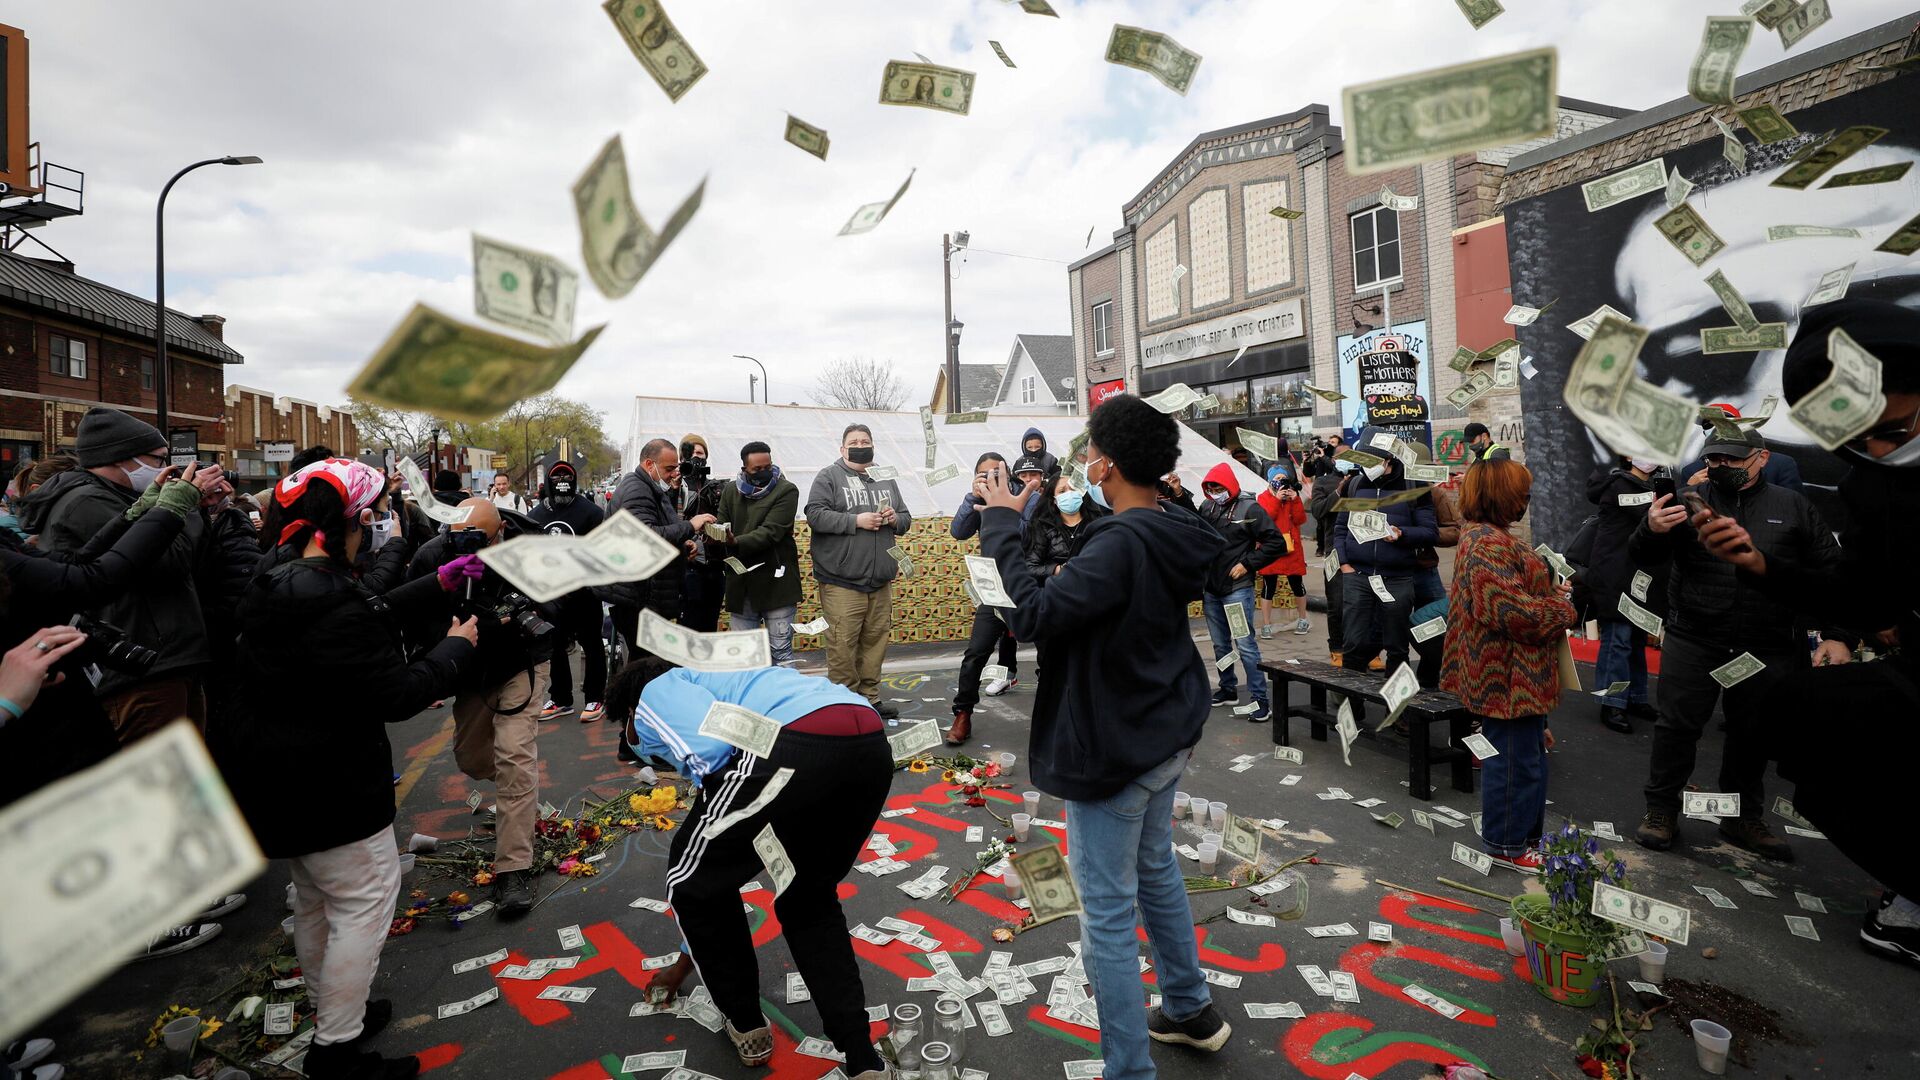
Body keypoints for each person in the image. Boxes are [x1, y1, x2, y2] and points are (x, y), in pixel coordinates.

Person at [973, 394, 1231, 1078]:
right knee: (1155, 870)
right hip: (1162, 733)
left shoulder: (1120, 539)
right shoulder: (1171, 527)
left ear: (1107, 465)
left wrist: (1002, 524)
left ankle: (1129, 1070)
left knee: (1109, 916)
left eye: (1090, 454)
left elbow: (1031, 617)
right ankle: (1188, 1006)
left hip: (1115, 748)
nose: (1082, 464)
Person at [218, 457, 478, 1080]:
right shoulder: (329, 596)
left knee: (312, 900)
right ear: (356, 521)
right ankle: (335, 1050)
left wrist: (435, 581)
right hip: (331, 780)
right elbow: (393, 692)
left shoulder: (275, 576)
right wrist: (454, 649)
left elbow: (357, 610)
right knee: (363, 902)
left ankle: (333, 1010)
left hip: (274, 774)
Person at [1694, 297, 1920, 963]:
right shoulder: (1871, 490)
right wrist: (1759, 563)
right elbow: (1857, 590)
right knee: (1789, 712)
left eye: (1898, 431)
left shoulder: (1795, 502)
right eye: (1859, 444)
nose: (1880, 452)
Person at [606, 658, 892, 1078]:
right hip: (867, 744)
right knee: (807, 899)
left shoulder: (656, 689)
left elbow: (709, 753)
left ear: (630, 710)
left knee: (689, 882)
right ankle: (862, 1055)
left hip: (792, 746)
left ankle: (745, 1021)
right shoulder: (734, 679)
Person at [1629, 426, 1847, 861]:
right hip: (1695, 635)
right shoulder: (1687, 503)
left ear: (1761, 458)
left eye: (1732, 460)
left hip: (1766, 645)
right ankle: (1661, 811)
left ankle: (1743, 818)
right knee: (1676, 728)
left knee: (1753, 735)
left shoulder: (1793, 506)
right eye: (1714, 461)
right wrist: (1651, 528)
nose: (1720, 468)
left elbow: (1830, 573)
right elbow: (1642, 556)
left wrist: (1839, 635)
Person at [22, 407, 222, 741]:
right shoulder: (87, 501)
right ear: (120, 457)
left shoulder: (116, 497)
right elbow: (170, 560)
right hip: (140, 668)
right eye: (158, 459)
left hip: (163, 659)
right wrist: (184, 506)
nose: (165, 468)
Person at [407, 499, 555, 911]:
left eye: (478, 541)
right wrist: (461, 632)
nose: (468, 548)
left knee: (514, 758)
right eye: (459, 540)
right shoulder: (432, 556)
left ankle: (513, 870)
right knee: (472, 759)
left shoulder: (529, 546)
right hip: (470, 671)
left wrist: (518, 612)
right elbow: (413, 617)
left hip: (521, 662)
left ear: (500, 532)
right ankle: (516, 794)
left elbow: (560, 603)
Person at [1441, 459, 1577, 873]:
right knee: (1514, 763)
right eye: (1521, 492)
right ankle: (1507, 845)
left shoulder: (1489, 537)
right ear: (1502, 495)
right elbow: (1511, 613)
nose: (1526, 500)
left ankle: (1523, 839)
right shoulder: (1487, 543)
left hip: (1517, 675)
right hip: (1507, 676)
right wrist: (1562, 607)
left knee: (1526, 760)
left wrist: (1548, 588)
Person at [804, 424, 911, 719]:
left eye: (865, 441)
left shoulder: (884, 475)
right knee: (842, 645)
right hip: (842, 582)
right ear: (842, 449)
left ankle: (871, 699)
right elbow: (814, 514)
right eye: (854, 441)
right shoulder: (829, 476)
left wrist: (893, 519)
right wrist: (856, 521)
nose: (860, 445)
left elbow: (905, 518)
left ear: (873, 446)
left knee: (875, 642)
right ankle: (845, 705)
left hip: (880, 581)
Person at [944, 453, 1040, 746]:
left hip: (1027, 584)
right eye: (983, 473)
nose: (990, 478)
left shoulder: (1027, 498)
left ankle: (1056, 716)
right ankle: (963, 714)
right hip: (992, 588)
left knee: (1050, 652)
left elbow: (1029, 538)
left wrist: (1003, 510)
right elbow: (958, 531)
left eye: (996, 472)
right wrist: (970, 498)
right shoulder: (977, 498)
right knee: (977, 651)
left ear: (1007, 474)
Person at [1332, 427, 1438, 677]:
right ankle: (1351, 704)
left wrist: (1402, 534)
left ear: (1388, 459)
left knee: (1397, 647)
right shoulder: (1355, 484)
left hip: (1398, 578)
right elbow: (1339, 528)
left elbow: (1429, 532)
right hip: (1358, 576)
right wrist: (1345, 565)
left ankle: (1397, 710)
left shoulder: (1414, 485)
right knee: (1354, 643)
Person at [1580, 457, 1668, 733]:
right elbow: (1648, 513)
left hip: (1638, 575)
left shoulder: (1650, 485)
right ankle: (1613, 702)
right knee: (1617, 640)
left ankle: (1636, 697)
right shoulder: (1620, 485)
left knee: (1636, 637)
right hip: (1613, 573)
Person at [1198, 461, 1288, 722]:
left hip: (1237, 588)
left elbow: (1276, 543)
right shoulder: (1208, 506)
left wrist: (1247, 564)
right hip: (1212, 588)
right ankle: (1228, 689)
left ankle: (1260, 699)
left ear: (1230, 485)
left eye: (1218, 487)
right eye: (1210, 487)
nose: (1215, 491)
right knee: (1219, 644)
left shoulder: (1250, 508)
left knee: (1246, 645)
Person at [609, 439, 716, 649]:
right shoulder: (637, 490)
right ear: (650, 464)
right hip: (638, 598)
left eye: (676, 467)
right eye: (669, 468)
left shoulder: (650, 487)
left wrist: (681, 548)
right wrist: (690, 526)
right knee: (645, 666)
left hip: (645, 594)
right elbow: (645, 536)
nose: (674, 473)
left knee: (648, 663)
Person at [529, 462, 607, 722]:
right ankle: (561, 698)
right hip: (552, 597)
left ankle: (596, 698)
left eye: (567, 475)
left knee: (593, 645)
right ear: (549, 482)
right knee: (555, 648)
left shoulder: (592, 513)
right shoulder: (537, 514)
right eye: (557, 475)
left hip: (585, 594)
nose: (562, 479)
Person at [712, 441, 802, 665]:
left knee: (780, 655)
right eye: (757, 469)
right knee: (745, 658)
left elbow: (772, 532)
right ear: (744, 469)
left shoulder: (787, 490)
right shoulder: (731, 491)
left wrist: (735, 541)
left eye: (767, 467)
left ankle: (783, 699)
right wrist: (715, 534)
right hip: (742, 587)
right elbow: (722, 521)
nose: (764, 473)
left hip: (776, 585)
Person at [1680, 403, 1805, 492]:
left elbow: (1798, 511)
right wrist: (1689, 489)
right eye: (1708, 424)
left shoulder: (1780, 465)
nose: (1715, 426)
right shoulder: (1691, 471)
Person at [678, 434, 728, 633]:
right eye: (692, 453)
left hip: (714, 567)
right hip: (688, 567)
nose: (697, 457)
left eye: (701, 453)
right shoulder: (675, 487)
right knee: (689, 625)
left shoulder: (715, 488)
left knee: (709, 625)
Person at [1255, 462, 1309, 638]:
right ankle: (1266, 624)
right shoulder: (1263, 497)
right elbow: (1267, 518)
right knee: (1268, 587)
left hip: (1292, 548)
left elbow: (1301, 519)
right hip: (1271, 548)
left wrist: (1294, 499)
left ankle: (1303, 619)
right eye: (1277, 479)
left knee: (1297, 585)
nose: (1281, 482)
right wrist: (1277, 499)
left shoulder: (1293, 496)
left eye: (1283, 479)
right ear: (1270, 481)